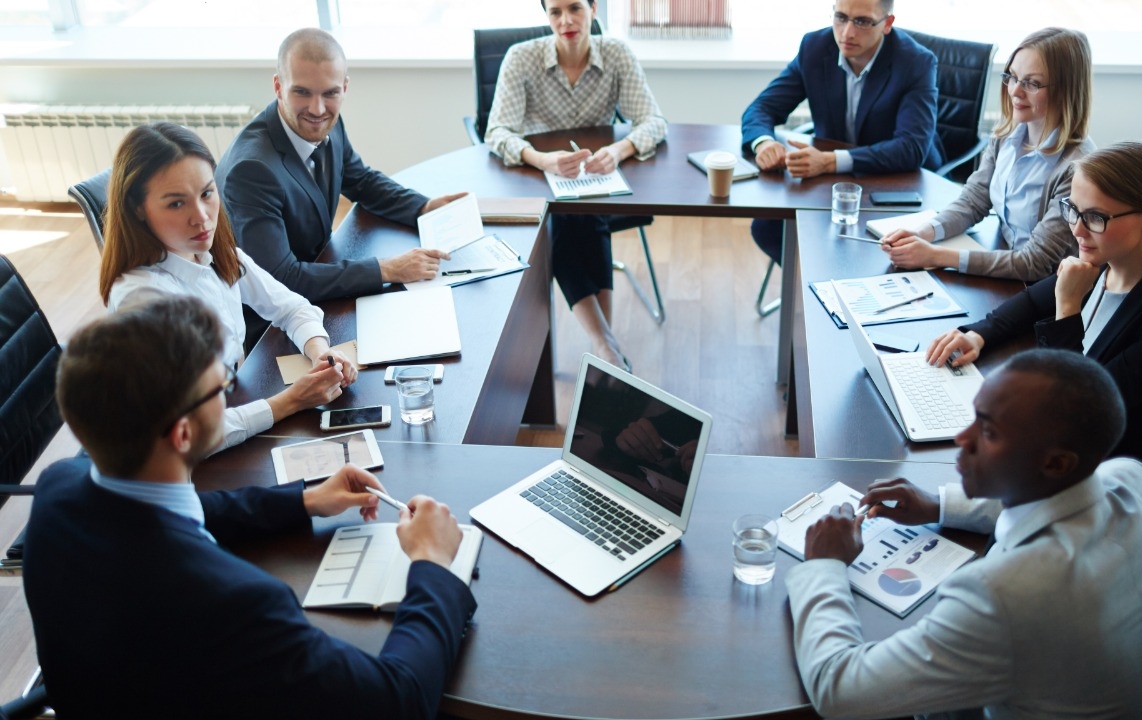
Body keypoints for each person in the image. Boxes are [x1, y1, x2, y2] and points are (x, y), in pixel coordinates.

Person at [23, 295, 476, 719]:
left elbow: (180, 513)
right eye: (220, 387)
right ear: (183, 434)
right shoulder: (236, 605)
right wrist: (432, 563)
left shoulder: (58, 490)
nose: (227, 394)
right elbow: (399, 702)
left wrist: (304, 502)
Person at [788, 349, 1142, 718]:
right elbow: (1055, 496)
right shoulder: (1132, 478)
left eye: (990, 432)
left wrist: (825, 565)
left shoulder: (1004, 595)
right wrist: (939, 504)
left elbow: (838, 691)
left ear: (1057, 463)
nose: (963, 439)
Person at [925, 141, 1142, 510]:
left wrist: (1069, 306)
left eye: (1094, 217)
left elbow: (1076, 410)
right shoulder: (1111, 252)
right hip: (1076, 452)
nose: (1077, 229)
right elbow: (1032, 301)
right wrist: (978, 333)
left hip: (1130, 482)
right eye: (1073, 210)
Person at [101, 122, 355, 452]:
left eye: (207, 193)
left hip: (232, 406)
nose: (202, 217)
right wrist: (292, 401)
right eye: (176, 204)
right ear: (137, 210)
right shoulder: (143, 299)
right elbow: (190, 436)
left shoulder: (211, 251)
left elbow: (291, 306)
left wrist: (322, 353)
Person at [216, 28, 466, 339]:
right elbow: (281, 278)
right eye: (302, 92)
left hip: (323, 279)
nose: (318, 109)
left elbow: (360, 180)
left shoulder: (328, 125)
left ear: (344, 88)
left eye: (330, 93)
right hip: (276, 325)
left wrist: (424, 206)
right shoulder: (251, 170)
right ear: (279, 87)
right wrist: (386, 269)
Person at [485, 0, 667, 369]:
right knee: (568, 217)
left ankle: (605, 350)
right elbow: (496, 131)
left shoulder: (615, 54)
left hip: (594, 176)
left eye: (575, 8)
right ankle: (607, 346)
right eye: (555, 12)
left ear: (594, 9)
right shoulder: (521, 57)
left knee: (583, 213)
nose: (565, 20)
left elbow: (654, 122)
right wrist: (541, 158)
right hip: (535, 178)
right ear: (546, 16)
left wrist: (618, 150)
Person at [881, 27, 1096, 281]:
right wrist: (923, 232)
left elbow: (1035, 262)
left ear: (1066, 89)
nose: (1015, 91)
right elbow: (974, 201)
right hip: (1003, 261)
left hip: (1045, 287)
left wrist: (934, 255)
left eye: (1032, 83)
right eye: (1013, 77)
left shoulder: (1076, 168)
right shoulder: (1007, 133)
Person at [740, 0, 943, 265]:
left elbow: (911, 148)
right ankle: (811, 291)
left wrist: (829, 161)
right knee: (767, 229)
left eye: (862, 21)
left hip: (898, 182)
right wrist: (764, 143)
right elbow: (762, 107)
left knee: (873, 253)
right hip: (831, 183)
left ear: (887, 24)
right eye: (841, 17)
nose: (847, 32)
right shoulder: (815, 47)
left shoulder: (916, 62)